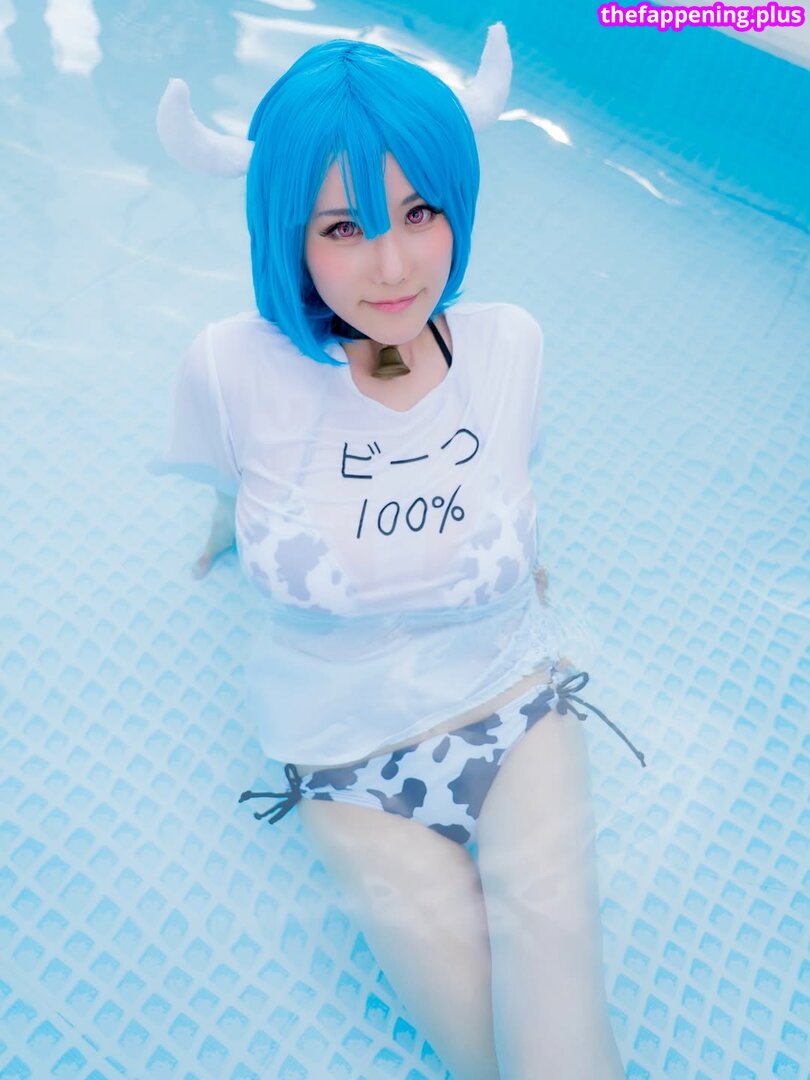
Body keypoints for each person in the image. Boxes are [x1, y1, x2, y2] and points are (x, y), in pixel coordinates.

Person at [151, 26, 645, 1080]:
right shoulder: (230, 369)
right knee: (482, 1050)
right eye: (345, 226)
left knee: (557, 1032)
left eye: (421, 213)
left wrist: (520, 561)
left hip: (513, 705)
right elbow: (230, 483)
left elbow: (507, 476)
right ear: (287, 231)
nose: (394, 264)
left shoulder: (511, 344)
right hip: (342, 757)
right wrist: (230, 536)